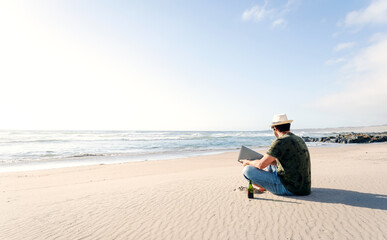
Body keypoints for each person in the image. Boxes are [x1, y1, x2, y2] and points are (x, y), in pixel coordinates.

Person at [241, 113, 311, 196]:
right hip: (304, 187)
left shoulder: (280, 141)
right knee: (270, 163)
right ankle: (267, 184)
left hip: (290, 188)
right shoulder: (298, 139)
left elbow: (260, 165)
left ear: (275, 128)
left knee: (247, 170)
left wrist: (248, 162)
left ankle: (265, 186)